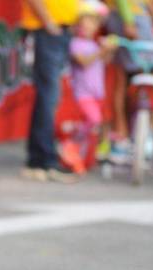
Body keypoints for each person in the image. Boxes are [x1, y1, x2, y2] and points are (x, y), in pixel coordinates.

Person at [21, 0, 82, 183]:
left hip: (59, 29)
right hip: (47, 29)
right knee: (49, 96)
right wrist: (48, 22)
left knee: (49, 97)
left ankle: (38, 160)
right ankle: (45, 161)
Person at [104, 0, 153, 164]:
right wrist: (128, 22)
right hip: (128, 38)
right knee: (122, 84)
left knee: (145, 87)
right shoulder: (117, 9)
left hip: (146, 45)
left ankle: (143, 134)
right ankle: (121, 135)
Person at [68, 1, 117, 167]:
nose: (88, 26)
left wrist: (110, 50)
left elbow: (104, 61)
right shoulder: (75, 43)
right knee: (94, 120)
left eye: (93, 22)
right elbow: (84, 61)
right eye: (85, 22)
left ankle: (86, 157)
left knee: (96, 126)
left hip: (98, 93)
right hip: (83, 93)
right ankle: (72, 140)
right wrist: (102, 51)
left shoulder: (95, 44)